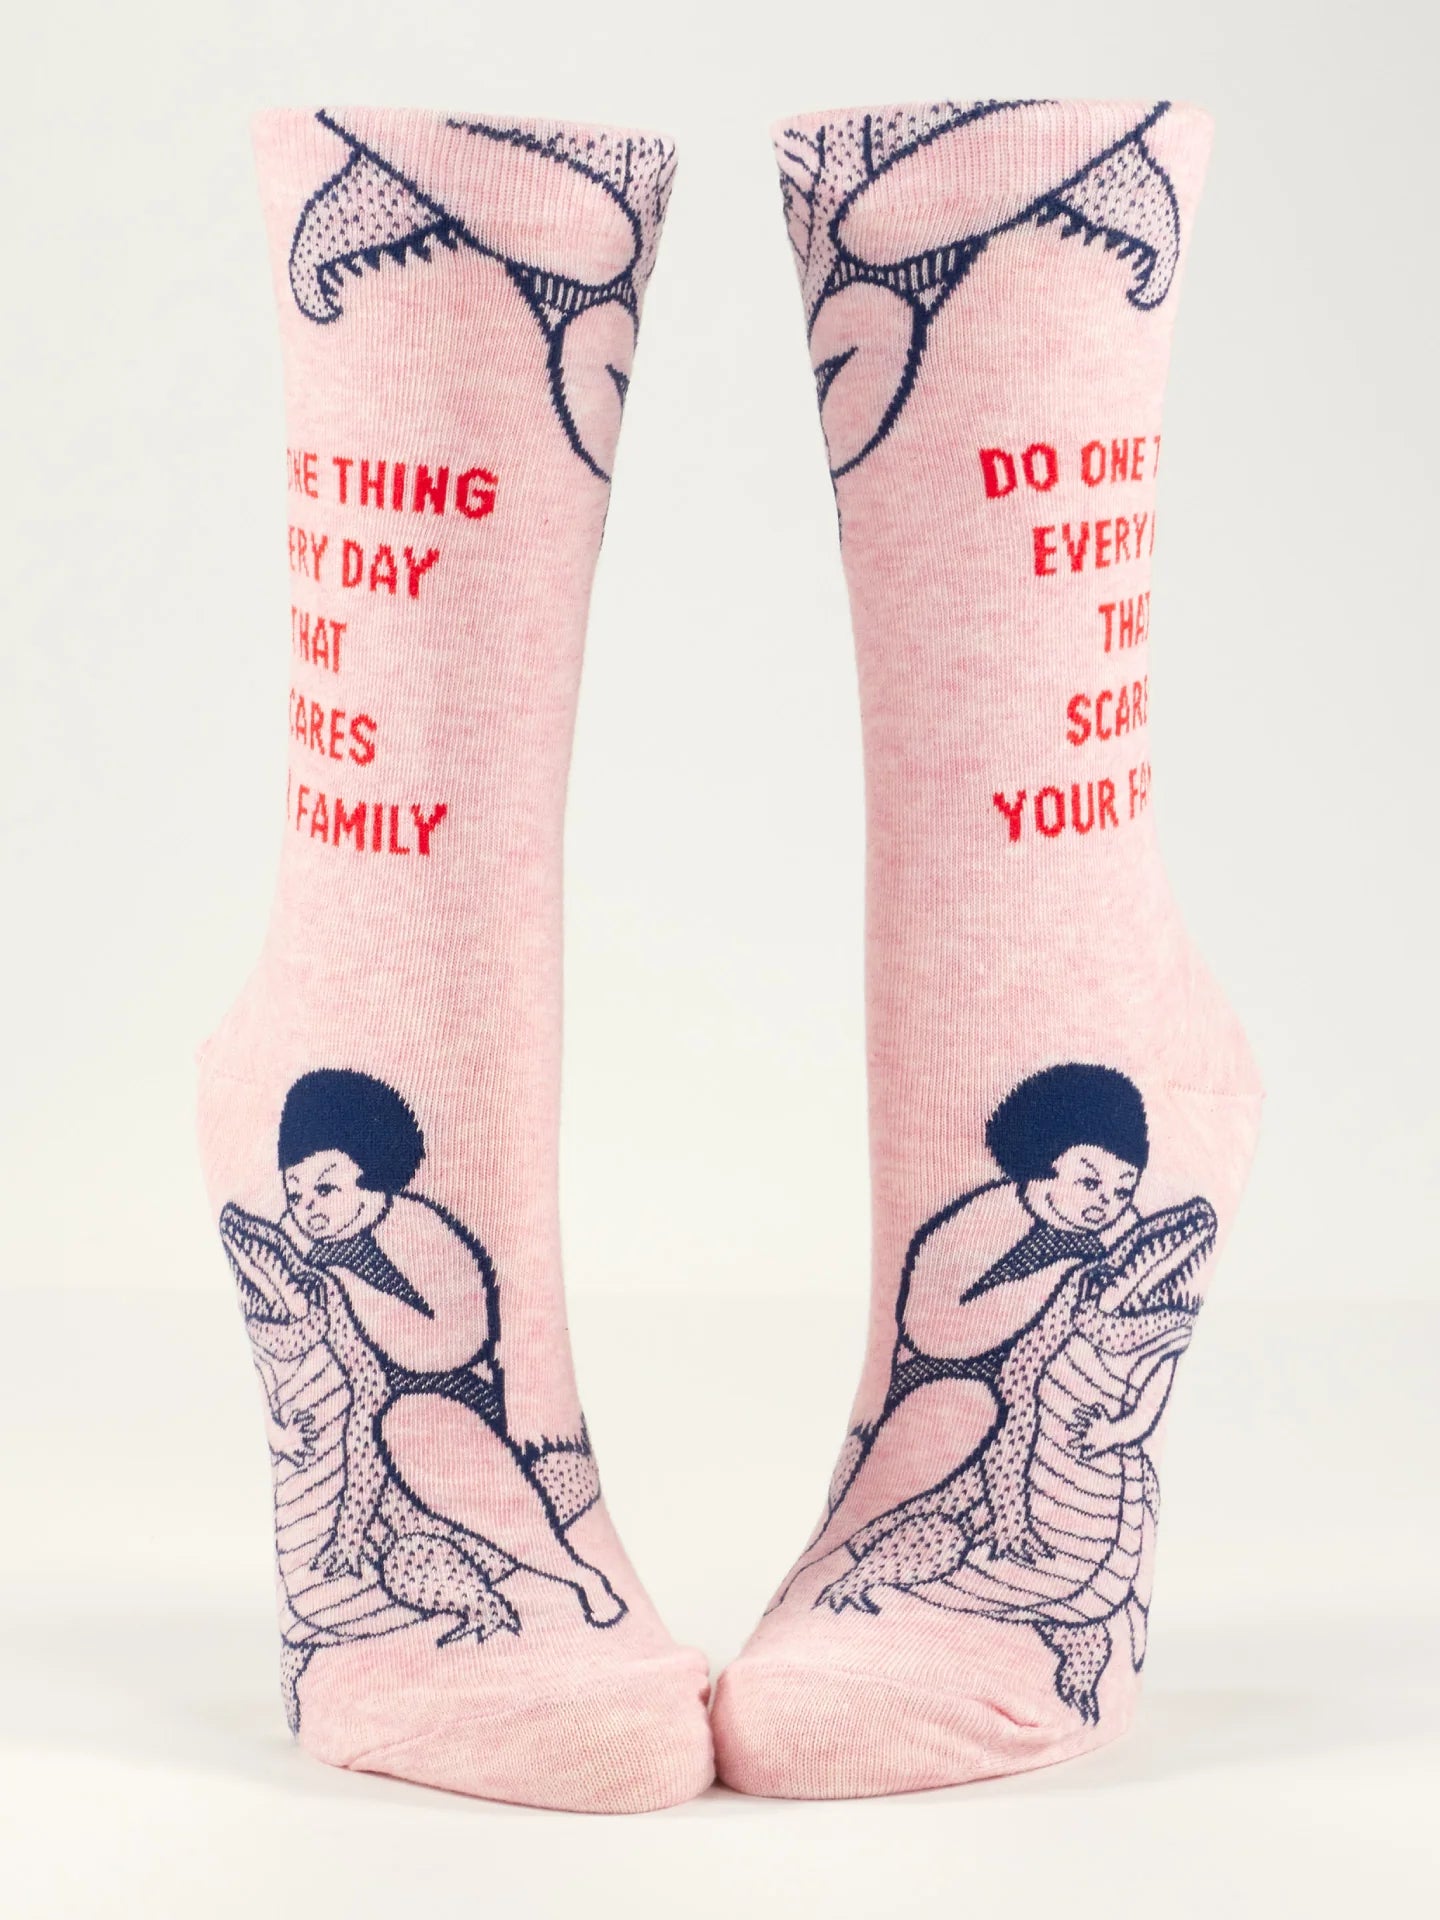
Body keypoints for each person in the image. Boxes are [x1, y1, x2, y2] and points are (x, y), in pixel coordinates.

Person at [264, 1068, 624, 1626]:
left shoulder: (411, 1227)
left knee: (410, 1420)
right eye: (295, 1194)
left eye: (327, 1188)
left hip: (461, 1413)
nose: (308, 1207)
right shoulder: (329, 1268)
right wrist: (348, 1528)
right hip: (397, 1453)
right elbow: (365, 1400)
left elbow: (457, 1340)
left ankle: (577, 1575)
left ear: (370, 1174)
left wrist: (347, 1284)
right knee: (396, 1448)